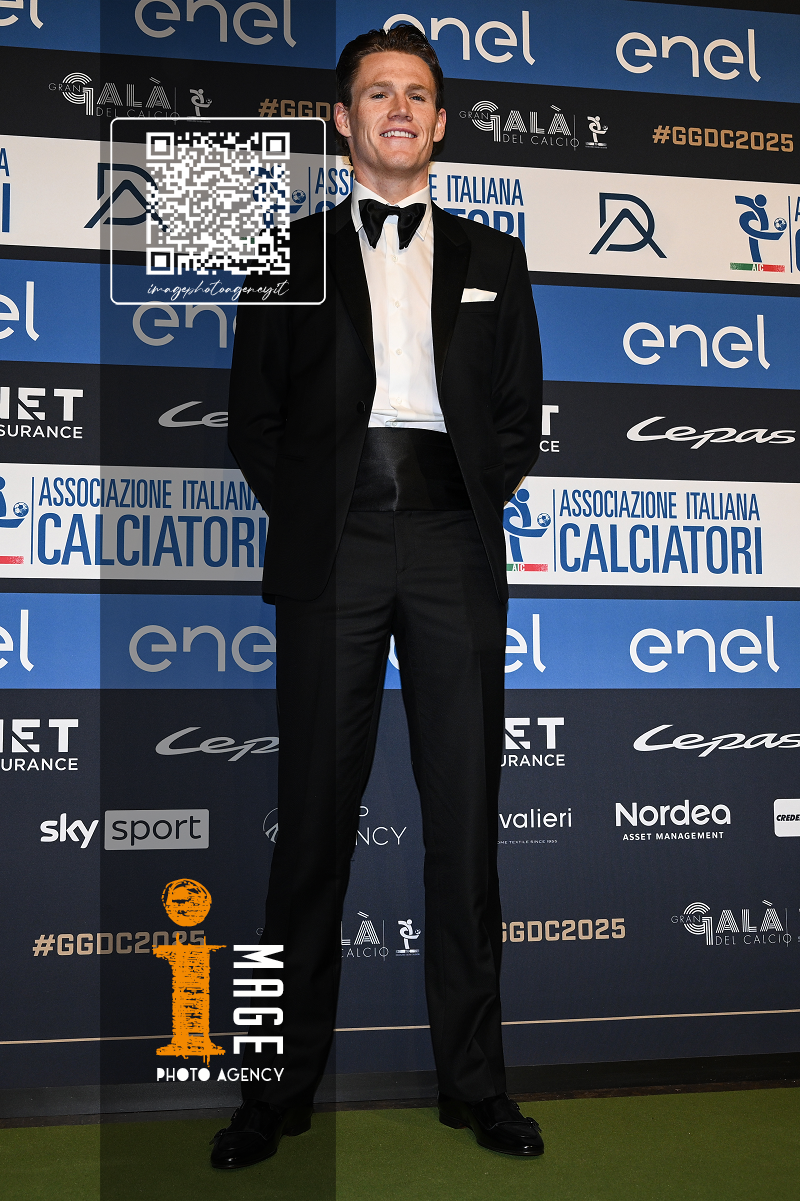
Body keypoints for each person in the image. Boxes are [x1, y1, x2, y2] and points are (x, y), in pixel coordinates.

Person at [211, 24, 543, 1170]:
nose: (397, 108)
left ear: (439, 122)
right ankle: (270, 1093)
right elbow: (252, 419)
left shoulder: (496, 257)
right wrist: (321, 511)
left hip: (452, 545)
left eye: (415, 93)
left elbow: (515, 417)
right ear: (342, 119)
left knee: (464, 830)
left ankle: (476, 1085)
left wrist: (457, 499)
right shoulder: (282, 252)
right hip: (334, 548)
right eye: (375, 93)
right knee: (306, 829)